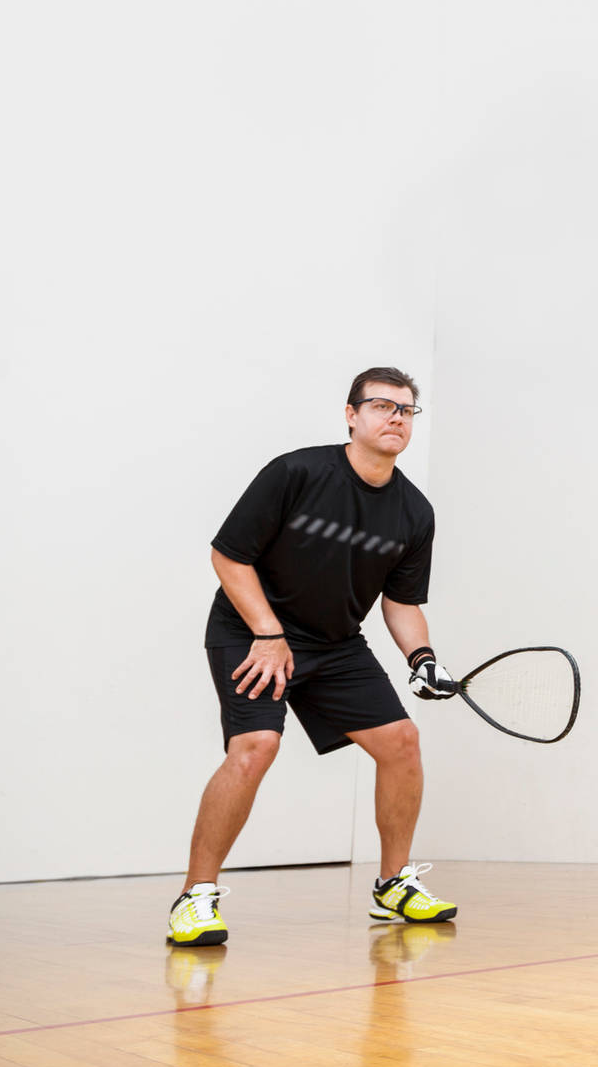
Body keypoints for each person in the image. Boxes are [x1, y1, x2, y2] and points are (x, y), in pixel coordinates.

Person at [168, 366, 461, 948]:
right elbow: (229, 558)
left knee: (402, 742)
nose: (395, 418)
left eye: (406, 410)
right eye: (381, 406)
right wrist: (269, 632)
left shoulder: (414, 512)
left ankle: (392, 885)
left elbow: (401, 603)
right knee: (256, 746)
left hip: (334, 642)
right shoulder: (296, 472)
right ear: (351, 416)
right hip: (250, 631)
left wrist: (423, 658)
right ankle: (195, 896)